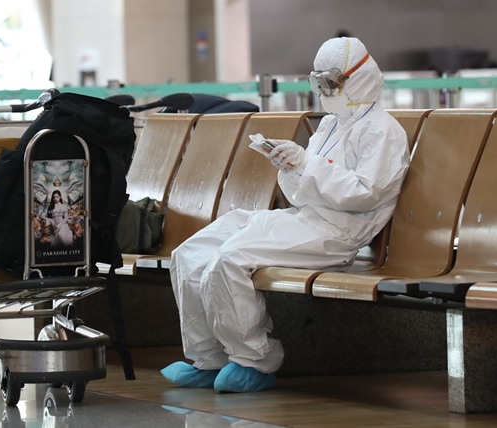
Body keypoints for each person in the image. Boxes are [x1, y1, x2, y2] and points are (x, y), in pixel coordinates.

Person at [160, 37, 410, 393]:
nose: (325, 91)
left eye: (331, 83)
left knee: (230, 258)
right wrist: (291, 167)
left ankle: (254, 361)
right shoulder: (330, 125)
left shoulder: (383, 131)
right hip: (305, 219)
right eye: (320, 83)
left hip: (338, 234)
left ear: (357, 79)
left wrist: (307, 164)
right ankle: (208, 356)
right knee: (189, 254)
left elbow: (364, 194)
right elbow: (301, 192)